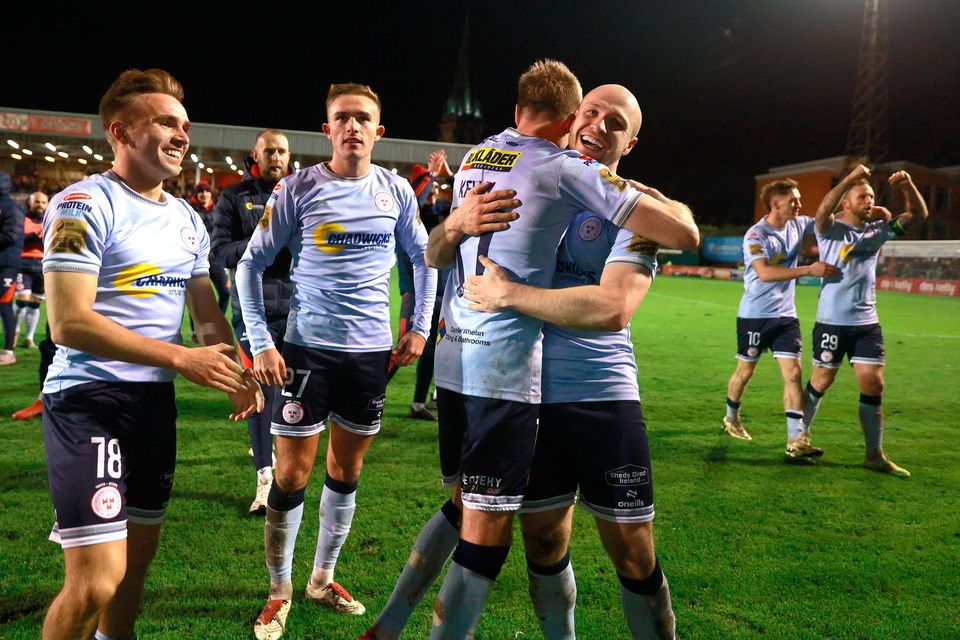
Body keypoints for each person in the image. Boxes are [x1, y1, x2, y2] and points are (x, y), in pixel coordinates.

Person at [421, 61, 698, 639]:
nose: (598, 125)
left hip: (600, 391)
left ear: (631, 141)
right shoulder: (531, 179)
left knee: (633, 553)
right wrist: (454, 225)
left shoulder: (634, 211)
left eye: (615, 122)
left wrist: (510, 294)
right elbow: (439, 253)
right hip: (528, 391)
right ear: (572, 118)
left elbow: (612, 308)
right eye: (591, 112)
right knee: (544, 542)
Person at [39, 68, 261, 640]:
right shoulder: (82, 203)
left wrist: (232, 369)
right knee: (94, 581)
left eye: (184, 124)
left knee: (135, 566)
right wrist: (182, 358)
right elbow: (68, 322)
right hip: (88, 401)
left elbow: (208, 316)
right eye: (165, 121)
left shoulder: (187, 220)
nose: (182, 134)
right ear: (120, 131)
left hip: (152, 407)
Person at [236, 83, 437, 640]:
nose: (352, 126)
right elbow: (250, 267)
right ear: (327, 130)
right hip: (306, 352)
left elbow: (424, 262)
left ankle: (322, 579)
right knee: (292, 473)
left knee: (346, 471)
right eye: (342, 118)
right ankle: (279, 590)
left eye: (363, 118)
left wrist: (419, 327)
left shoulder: (396, 192)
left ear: (379, 130)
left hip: (371, 356)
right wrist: (262, 343)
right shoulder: (297, 188)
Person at [803, 164, 927, 477]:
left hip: (867, 322)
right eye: (861, 196)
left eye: (870, 196)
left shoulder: (879, 230)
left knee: (873, 382)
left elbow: (918, 216)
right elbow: (821, 213)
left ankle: (874, 454)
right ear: (846, 202)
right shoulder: (830, 228)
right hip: (832, 321)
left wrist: (908, 186)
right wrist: (847, 180)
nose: (868, 200)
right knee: (822, 380)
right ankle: (797, 438)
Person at [721, 179, 839, 457]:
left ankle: (796, 440)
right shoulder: (756, 235)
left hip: (786, 316)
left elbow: (826, 216)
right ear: (776, 204)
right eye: (793, 201)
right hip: (755, 316)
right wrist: (808, 270)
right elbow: (765, 273)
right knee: (745, 371)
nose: (799, 205)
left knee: (794, 373)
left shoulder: (798, 224)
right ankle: (730, 417)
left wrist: (865, 210)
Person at [211, 128, 293, 514]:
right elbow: (220, 251)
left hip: (298, 312)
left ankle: (288, 472)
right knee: (262, 396)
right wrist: (264, 240)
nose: (275, 158)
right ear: (255, 156)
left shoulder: (300, 195)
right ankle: (264, 478)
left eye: (281, 152)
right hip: (253, 314)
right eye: (269, 151)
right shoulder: (234, 197)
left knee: (292, 400)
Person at [13, 191, 49, 349]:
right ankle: (14, 332)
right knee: (22, 300)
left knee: (35, 303)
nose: (40, 205)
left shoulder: (50, 220)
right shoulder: (22, 219)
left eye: (43, 202)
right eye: (37, 202)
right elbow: (16, 238)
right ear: (30, 202)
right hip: (24, 263)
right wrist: (34, 235)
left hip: (42, 264)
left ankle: (29, 338)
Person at [189, 181, 229, 315]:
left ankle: (216, 318)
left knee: (225, 292)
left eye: (207, 191)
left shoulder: (218, 210)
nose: (204, 194)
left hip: (215, 260)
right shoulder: (190, 211)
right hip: (196, 261)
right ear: (196, 194)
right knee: (196, 297)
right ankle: (195, 331)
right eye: (201, 191)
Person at [0, 171, 24, 366]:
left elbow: (11, 236)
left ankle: (9, 351)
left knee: (4, 304)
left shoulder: (11, 208)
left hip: (7, 265)